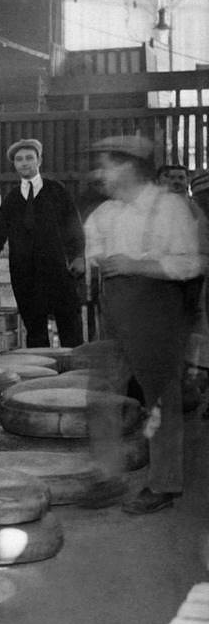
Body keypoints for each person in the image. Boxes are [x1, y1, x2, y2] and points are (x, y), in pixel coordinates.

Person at [83, 136, 200, 514]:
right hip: (115, 312)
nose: (100, 173)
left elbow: (191, 264)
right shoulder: (105, 213)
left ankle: (164, 485)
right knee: (101, 395)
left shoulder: (169, 208)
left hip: (157, 312)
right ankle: (107, 476)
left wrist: (137, 265)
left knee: (160, 401)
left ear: (130, 167)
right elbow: (91, 253)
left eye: (107, 165)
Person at [0, 139, 85, 348]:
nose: (24, 163)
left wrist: (78, 256)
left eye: (29, 158)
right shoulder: (12, 198)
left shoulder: (56, 191)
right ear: (14, 165)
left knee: (69, 325)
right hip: (25, 273)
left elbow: (73, 224)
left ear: (39, 160)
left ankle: (74, 375)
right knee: (35, 329)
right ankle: (41, 375)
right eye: (19, 159)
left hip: (58, 269)